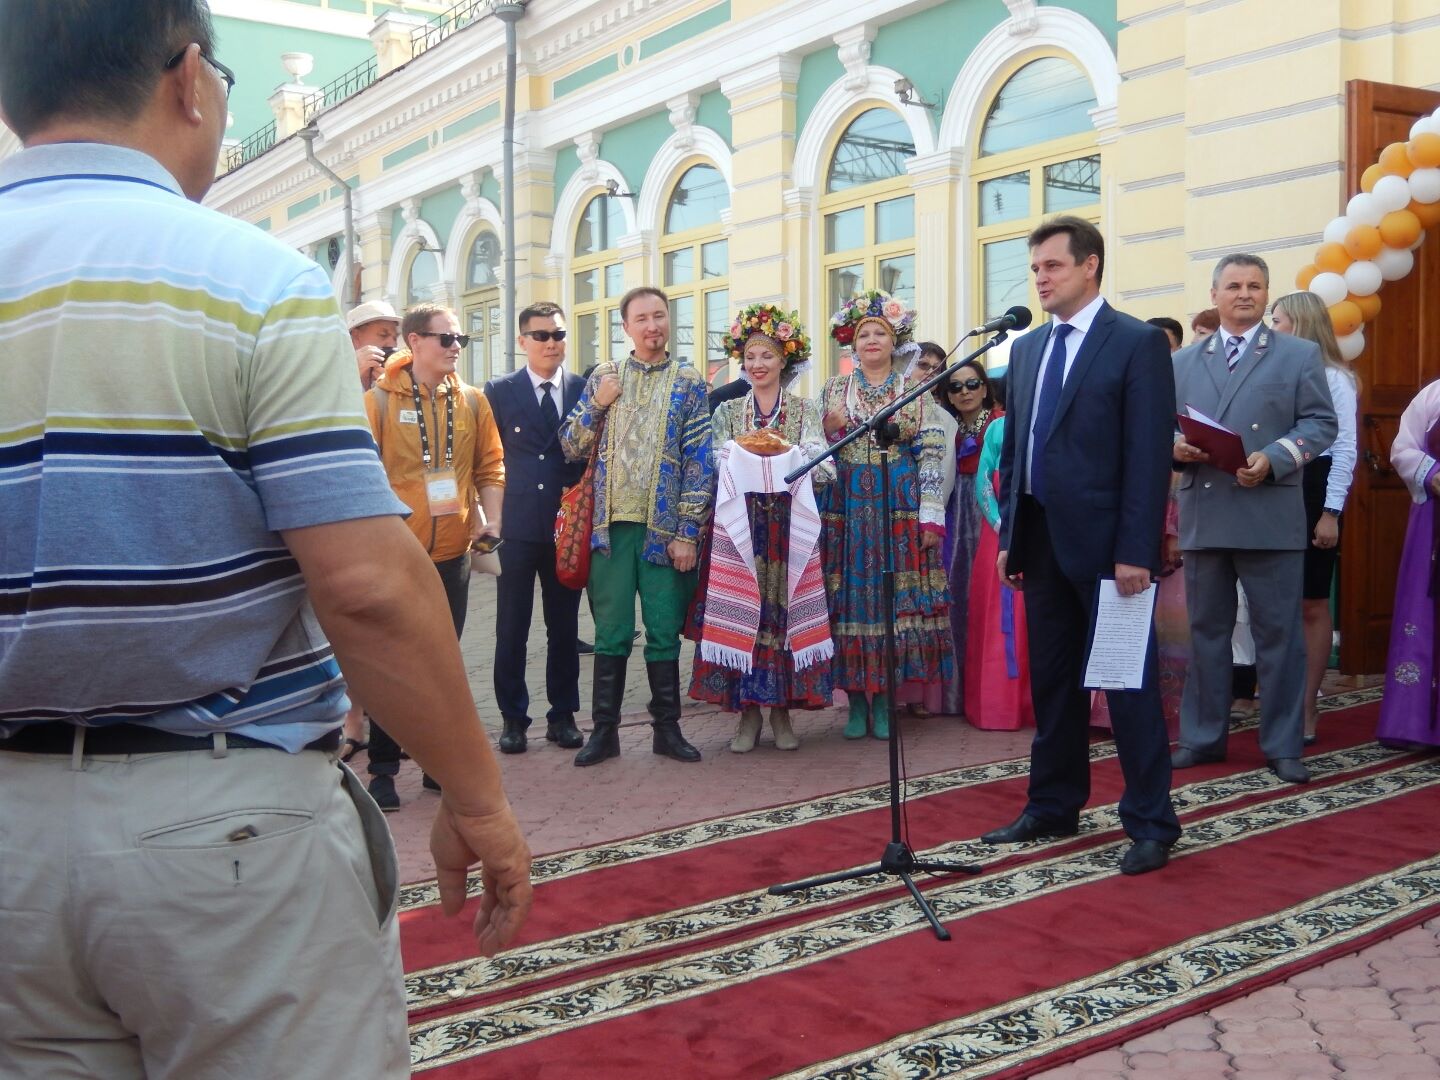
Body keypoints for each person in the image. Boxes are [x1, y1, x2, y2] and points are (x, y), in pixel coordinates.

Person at [0, 4, 531, 1074]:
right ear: (191, 78)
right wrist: (477, 798)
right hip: (222, 835)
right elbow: (367, 591)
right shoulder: (249, 280)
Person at [983, 215, 1180, 877]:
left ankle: (1152, 822)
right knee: (1055, 683)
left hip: (1109, 550)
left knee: (1127, 685)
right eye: (1036, 268)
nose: (1040, 278)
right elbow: (1015, 453)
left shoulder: (1136, 344)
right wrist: (1011, 535)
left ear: (1090, 265)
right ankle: (1053, 804)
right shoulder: (1030, 350)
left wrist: (1137, 549)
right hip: (1039, 541)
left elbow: (1149, 457)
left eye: (1052, 266)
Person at [1170, 254, 1337, 785]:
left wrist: (1277, 456)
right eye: (1234, 285)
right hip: (1207, 511)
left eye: (1255, 286)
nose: (1245, 294)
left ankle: (1284, 743)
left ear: (1267, 296)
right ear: (1215, 294)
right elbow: (1158, 429)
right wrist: (1177, 448)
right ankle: (1201, 737)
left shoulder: (1298, 354)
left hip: (1270, 511)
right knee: (1207, 633)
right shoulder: (1182, 363)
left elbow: (1321, 423)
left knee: (1277, 635)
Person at [560, 286, 715, 765]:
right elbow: (570, 445)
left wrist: (688, 530)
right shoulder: (605, 377)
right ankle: (604, 732)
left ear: (669, 322)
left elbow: (701, 461)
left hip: (665, 534)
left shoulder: (690, 382)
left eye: (660, 316)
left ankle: (666, 730)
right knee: (611, 632)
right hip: (608, 531)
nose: (652, 326)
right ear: (626, 327)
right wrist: (597, 404)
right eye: (642, 318)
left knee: (664, 630)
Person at [365, 303, 506, 807]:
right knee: (393, 660)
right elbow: (363, 480)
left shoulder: (471, 401)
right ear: (413, 342)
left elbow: (491, 466)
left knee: (443, 664)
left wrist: (493, 520)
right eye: (446, 339)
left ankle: (435, 764)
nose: (454, 348)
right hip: (396, 555)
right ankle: (382, 768)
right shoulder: (377, 403)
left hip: (453, 555)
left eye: (459, 340)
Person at [689, 303, 833, 751]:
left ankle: (782, 714)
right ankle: (746, 717)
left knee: (782, 616)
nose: (757, 365)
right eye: (750, 357)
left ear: (783, 360)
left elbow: (825, 468)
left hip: (789, 528)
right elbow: (711, 463)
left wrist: (790, 457)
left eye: (767, 356)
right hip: (740, 529)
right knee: (744, 615)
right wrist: (741, 457)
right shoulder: (728, 411)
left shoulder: (805, 410)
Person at [818, 291, 952, 740]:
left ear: (896, 342)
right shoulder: (835, 390)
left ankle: (886, 702)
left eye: (881, 333)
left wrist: (930, 515)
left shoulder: (911, 389)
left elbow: (932, 448)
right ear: (851, 344)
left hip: (897, 502)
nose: (872, 340)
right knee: (850, 597)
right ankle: (856, 701)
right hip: (847, 505)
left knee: (891, 597)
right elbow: (814, 449)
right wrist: (828, 430)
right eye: (864, 334)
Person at [484, 301, 587, 754]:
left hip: (566, 527)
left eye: (558, 335)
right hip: (518, 527)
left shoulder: (586, 389)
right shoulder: (500, 390)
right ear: (522, 341)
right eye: (541, 335)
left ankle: (562, 716)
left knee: (564, 628)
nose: (551, 343)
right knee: (512, 628)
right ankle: (513, 718)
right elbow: (487, 458)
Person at [1268, 291, 1358, 745]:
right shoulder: (1269, 371)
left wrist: (1331, 512)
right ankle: (1277, 702)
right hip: (1273, 486)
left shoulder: (1334, 378)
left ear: (1300, 325)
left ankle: (1307, 707)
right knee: (1274, 604)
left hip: (1313, 487)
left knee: (1310, 602)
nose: (1272, 326)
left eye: (1278, 319)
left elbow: (1343, 449)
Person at [966, 368, 1034, 730]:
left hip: (1041, 536)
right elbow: (984, 483)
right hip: (1001, 536)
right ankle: (999, 706)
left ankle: (1036, 705)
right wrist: (1004, 528)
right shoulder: (997, 428)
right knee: (1000, 623)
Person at [935, 360, 1002, 720]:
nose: (965, 392)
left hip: (990, 514)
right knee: (955, 598)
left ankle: (990, 695)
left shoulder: (1001, 422)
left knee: (990, 599)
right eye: (955, 387)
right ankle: (956, 696)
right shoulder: (945, 426)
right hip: (953, 514)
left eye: (972, 384)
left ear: (986, 387)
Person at [1377, 379, 1440, 748]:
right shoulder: (1434, 394)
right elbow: (1403, 448)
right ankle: (1416, 725)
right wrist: (1432, 475)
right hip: (1434, 523)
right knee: (1426, 611)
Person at [350, 299, 400, 390]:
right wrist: (351, 373)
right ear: (356, 337)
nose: (392, 344)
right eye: (383, 335)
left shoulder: (401, 377)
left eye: (395, 338)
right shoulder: (334, 372)